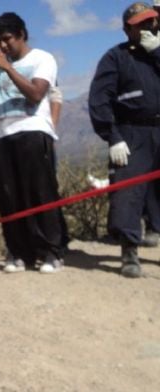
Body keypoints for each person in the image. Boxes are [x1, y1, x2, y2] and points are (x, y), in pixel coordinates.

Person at [0, 12, 67, 274]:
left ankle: (51, 252)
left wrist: (9, 68)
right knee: (10, 198)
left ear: (22, 34)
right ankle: (19, 252)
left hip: (33, 131)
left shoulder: (42, 59)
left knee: (40, 193)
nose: (1, 46)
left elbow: (37, 94)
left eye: (6, 39)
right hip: (3, 136)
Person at [88, 2, 160, 278]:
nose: (146, 28)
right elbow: (99, 100)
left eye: (150, 22)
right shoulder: (115, 57)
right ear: (126, 29)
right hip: (132, 133)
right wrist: (113, 136)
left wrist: (158, 53)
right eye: (140, 24)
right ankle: (130, 250)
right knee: (128, 193)